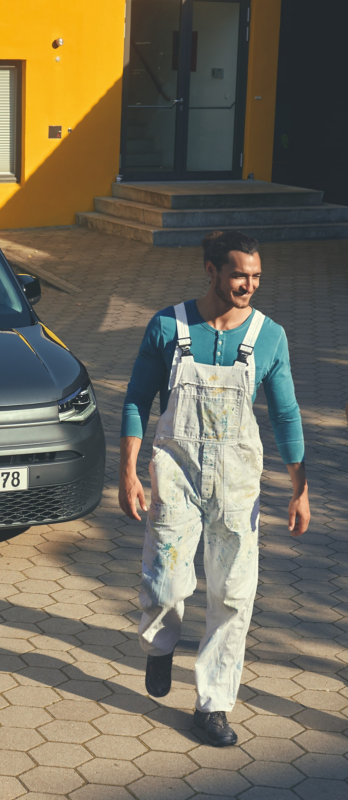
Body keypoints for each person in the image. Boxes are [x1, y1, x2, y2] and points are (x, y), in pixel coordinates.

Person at [119, 230, 309, 748]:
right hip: (175, 475)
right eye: (238, 275)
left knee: (233, 594)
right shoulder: (167, 326)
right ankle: (159, 647)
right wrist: (128, 471)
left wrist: (299, 487)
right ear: (210, 271)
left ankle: (214, 705)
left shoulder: (270, 337)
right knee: (165, 582)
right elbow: (136, 400)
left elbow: (287, 413)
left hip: (237, 484)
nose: (248, 286)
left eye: (255, 277)